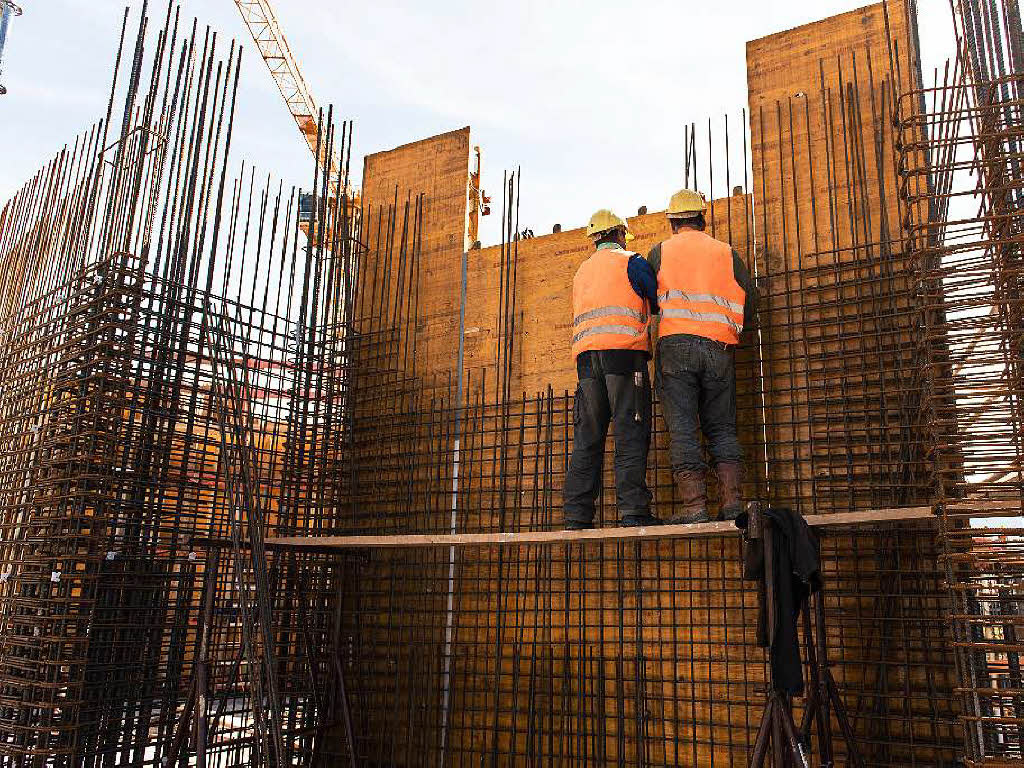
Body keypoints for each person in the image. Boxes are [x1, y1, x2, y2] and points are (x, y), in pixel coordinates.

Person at [649, 189, 758, 523]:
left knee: (683, 428)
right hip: (719, 349)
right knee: (723, 429)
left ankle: (695, 507)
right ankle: (732, 504)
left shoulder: (660, 253)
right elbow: (749, 306)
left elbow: (645, 301)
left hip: (676, 348)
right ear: (702, 218)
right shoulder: (727, 254)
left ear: (671, 221)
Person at [563, 209, 662, 529]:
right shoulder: (631, 261)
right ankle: (633, 512)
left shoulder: (581, 272)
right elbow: (657, 299)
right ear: (620, 234)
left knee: (587, 440)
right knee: (629, 434)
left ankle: (577, 516)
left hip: (587, 363)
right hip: (624, 356)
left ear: (594, 239)